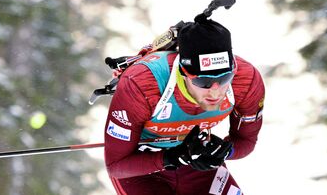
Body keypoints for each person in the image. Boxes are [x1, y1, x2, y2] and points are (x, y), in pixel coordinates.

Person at [104, 14, 265, 195]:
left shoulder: (246, 81)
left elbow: (246, 141)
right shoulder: (142, 85)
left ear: (233, 69)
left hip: (196, 162)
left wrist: (221, 152)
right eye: (203, 82)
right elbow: (116, 166)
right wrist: (174, 157)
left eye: (224, 78)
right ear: (183, 72)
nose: (215, 91)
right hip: (142, 167)